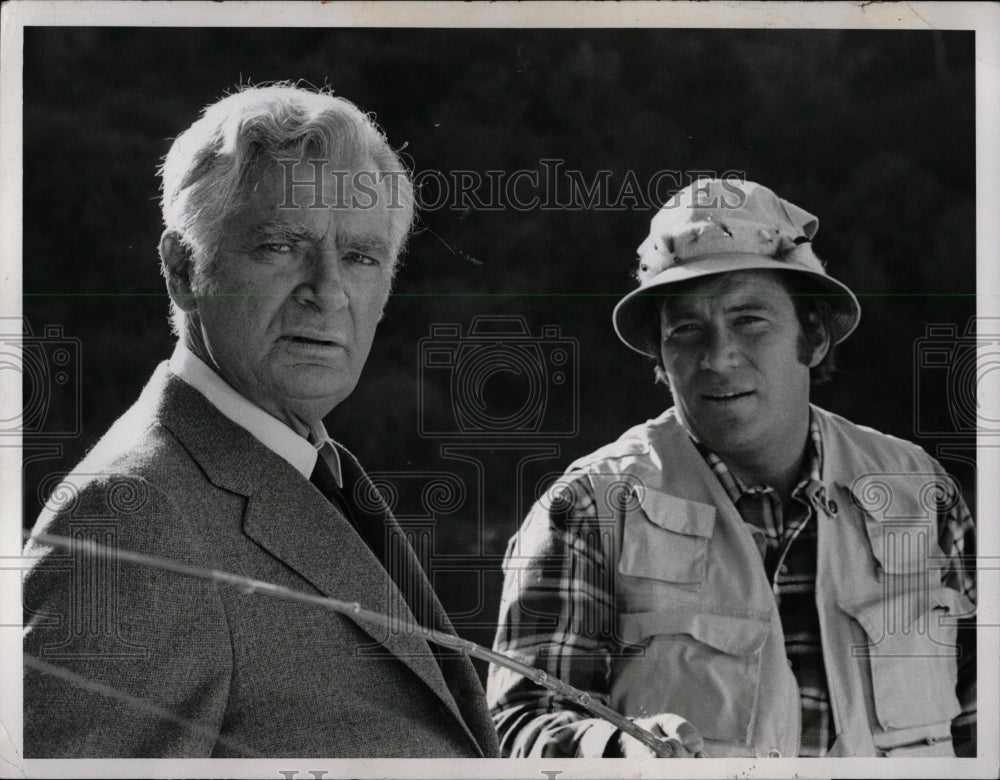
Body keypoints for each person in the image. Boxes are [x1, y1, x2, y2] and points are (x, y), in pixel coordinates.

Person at [22, 84, 499, 758]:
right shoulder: (131, 517)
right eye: (281, 246)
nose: (328, 290)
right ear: (184, 270)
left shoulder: (308, 468)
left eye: (361, 257)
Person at [487, 178, 976, 758]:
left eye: (749, 320)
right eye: (686, 329)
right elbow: (521, 723)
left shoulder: (919, 489)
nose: (717, 357)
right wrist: (617, 750)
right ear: (661, 357)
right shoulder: (588, 509)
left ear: (813, 335)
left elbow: (982, 715)